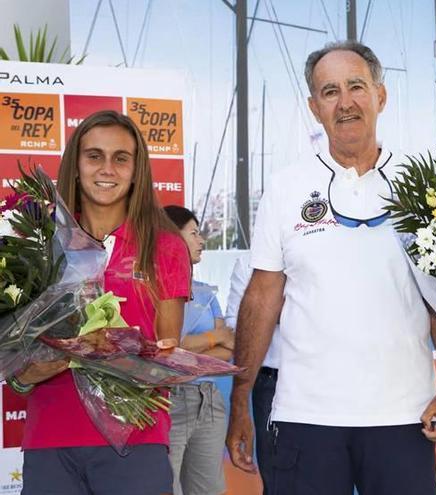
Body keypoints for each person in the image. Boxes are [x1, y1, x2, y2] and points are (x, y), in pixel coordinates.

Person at [225, 40, 436, 495]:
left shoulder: (425, 187)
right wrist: (241, 400)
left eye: (356, 86)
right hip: (304, 418)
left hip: (404, 416)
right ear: (315, 108)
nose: (345, 101)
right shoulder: (285, 187)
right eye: (329, 91)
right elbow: (262, 297)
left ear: (381, 96)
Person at [10, 110, 191, 494]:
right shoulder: (42, 246)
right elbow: (18, 367)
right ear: (75, 165)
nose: (106, 169)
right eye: (94, 156)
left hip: (136, 443)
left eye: (120, 158)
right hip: (50, 440)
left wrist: (107, 347)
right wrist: (58, 357)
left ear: (136, 170)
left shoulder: (166, 246)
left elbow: (167, 355)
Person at [163, 205, 233, 495]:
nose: (202, 240)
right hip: (168, 401)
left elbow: (228, 348)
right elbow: (166, 346)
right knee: (166, 486)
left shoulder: (207, 291)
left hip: (209, 399)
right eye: (193, 233)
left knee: (209, 489)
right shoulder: (155, 288)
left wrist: (188, 346)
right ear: (169, 237)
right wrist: (211, 337)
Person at [224, 253, 281, 495]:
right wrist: (265, 311)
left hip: (327, 378)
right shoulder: (250, 262)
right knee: (277, 478)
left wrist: (268, 314)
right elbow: (236, 325)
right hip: (271, 382)